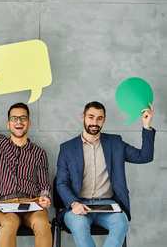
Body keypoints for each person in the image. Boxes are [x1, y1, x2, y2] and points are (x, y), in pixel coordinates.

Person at [55, 101, 155, 247]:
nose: (95, 122)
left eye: (99, 118)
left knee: (121, 224)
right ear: (83, 117)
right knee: (80, 226)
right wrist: (74, 203)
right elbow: (61, 182)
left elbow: (144, 157)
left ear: (104, 120)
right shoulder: (67, 148)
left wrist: (147, 125)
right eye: (91, 117)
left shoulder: (115, 143)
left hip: (108, 206)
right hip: (78, 204)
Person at [0, 68, 52, 247]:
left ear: (29, 123)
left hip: (31, 203)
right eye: (14, 118)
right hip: (5, 204)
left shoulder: (39, 152)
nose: (19, 122)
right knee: (8, 225)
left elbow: (44, 184)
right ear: (8, 123)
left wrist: (45, 196)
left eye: (23, 118)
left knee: (42, 224)